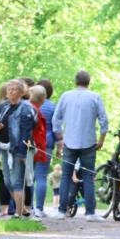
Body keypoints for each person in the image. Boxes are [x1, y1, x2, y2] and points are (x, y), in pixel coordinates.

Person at [51, 70, 108, 220]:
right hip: (89, 142)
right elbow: (103, 119)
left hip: (69, 141)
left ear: (75, 81)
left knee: (66, 176)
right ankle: (90, 212)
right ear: (89, 82)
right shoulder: (95, 97)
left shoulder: (66, 96)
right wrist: (102, 138)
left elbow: (56, 119)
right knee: (88, 176)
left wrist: (59, 138)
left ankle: (62, 210)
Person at [0, 80, 37, 218]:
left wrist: (22, 154)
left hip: (19, 149)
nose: (10, 91)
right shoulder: (2, 107)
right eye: (9, 88)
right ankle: (22, 209)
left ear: (21, 92)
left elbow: (27, 131)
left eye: (14, 89)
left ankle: (18, 214)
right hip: (4, 148)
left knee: (17, 181)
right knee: (8, 182)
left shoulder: (26, 108)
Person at [28, 84, 50, 218]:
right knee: (32, 178)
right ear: (43, 98)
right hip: (32, 149)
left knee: (30, 178)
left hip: (35, 148)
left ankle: (29, 207)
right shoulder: (32, 111)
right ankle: (31, 208)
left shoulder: (32, 109)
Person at [35, 78, 56, 214]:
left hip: (31, 142)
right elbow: (56, 127)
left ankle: (27, 207)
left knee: (29, 176)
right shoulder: (53, 107)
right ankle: (39, 208)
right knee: (41, 176)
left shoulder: (30, 105)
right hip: (46, 143)